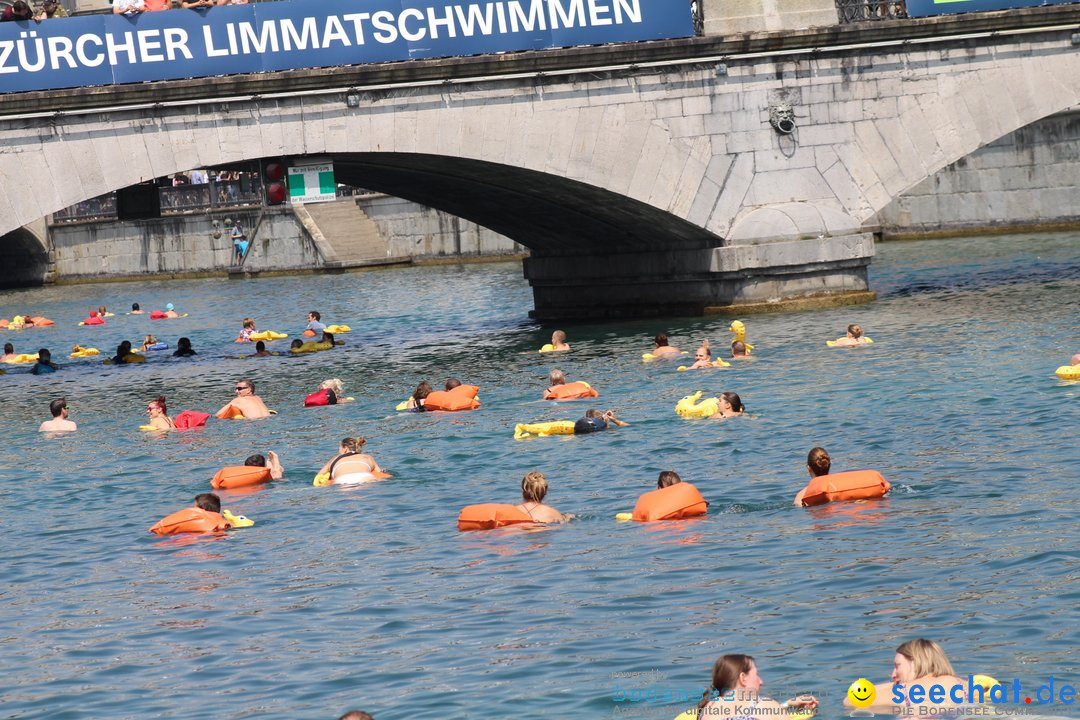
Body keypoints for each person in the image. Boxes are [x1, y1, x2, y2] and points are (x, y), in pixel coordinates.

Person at [844, 639, 968, 712]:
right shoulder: (963, 684)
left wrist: (893, 685)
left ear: (915, 663)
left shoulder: (906, 692)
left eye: (897, 666)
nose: (893, 675)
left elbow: (851, 700)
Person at [696, 654, 818, 719]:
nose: (761, 681)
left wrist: (788, 705)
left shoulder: (708, 706)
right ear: (743, 678)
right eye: (756, 674)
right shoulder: (767, 704)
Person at [316, 437, 385, 485]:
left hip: (342, 480)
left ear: (345, 448)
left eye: (339, 447)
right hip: (366, 478)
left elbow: (318, 477)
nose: (338, 450)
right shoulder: (368, 457)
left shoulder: (334, 459)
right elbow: (380, 472)